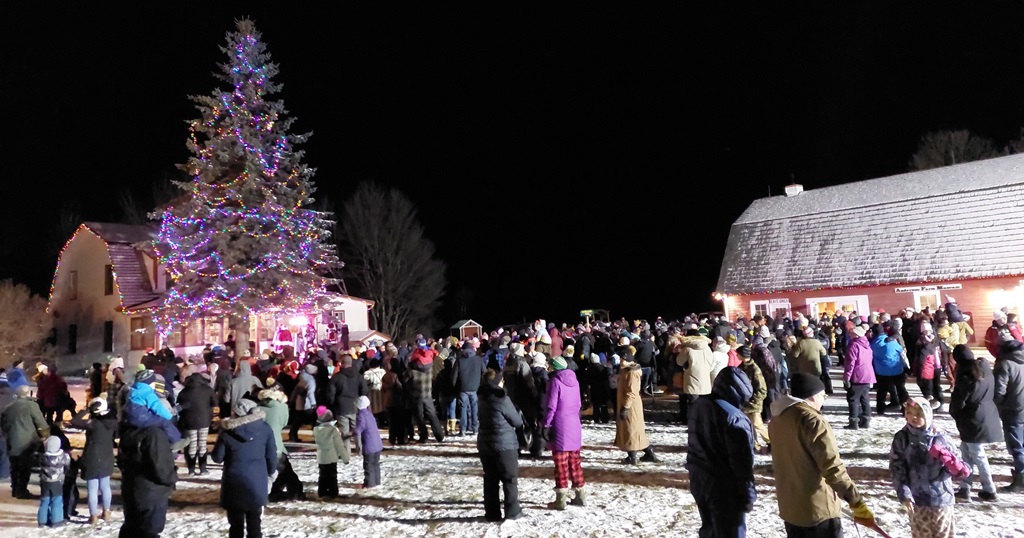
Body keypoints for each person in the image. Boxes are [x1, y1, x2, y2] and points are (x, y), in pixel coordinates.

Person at [769, 373, 874, 537]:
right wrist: (856, 501)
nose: (823, 400)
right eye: (823, 395)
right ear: (812, 396)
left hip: (791, 509)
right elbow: (832, 467)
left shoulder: (778, 419)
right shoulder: (812, 421)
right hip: (817, 510)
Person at [686, 367, 756, 538]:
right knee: (730, 531)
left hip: (699, 477)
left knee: (709, 528)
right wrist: (748, 494)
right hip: (724, 485)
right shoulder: (734, 417)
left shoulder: (699, 405)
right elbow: (741, 461)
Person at [890, 397, 969, 538]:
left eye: (918, 414)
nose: (913, 417)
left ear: (927, 415)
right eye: (909, 413)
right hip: (917, 500)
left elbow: (961, 469)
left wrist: (953, 465)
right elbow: (897, 467)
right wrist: (904, 493)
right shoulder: (902, 438)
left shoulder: (941, 438)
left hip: (941, 499)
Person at [212, 399, 278, 538]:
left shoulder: (227, 431)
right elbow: (271, 456)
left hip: (234, 482)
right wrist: (271, 472)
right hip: (257, 481)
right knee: (255, 523)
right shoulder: (265, 429)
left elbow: (217, 457)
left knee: (235, 526)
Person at [118, 397, 177, 538]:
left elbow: (121, 461)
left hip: (132, 488)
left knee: (132, 528)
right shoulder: (154, 434)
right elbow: (161, 467)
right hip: (152, 493)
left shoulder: (129, 431)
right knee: (149, 530)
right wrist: (172, 478)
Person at [948, 345, 1000, 501]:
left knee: (977, 454)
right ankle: (965, 486)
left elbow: (958, 402)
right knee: (966, 452)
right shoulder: (985, 370)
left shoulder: (965, 376)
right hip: (987, 415)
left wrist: (955, 414)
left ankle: (989, 489)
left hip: (971, 419)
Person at [477, 369, 523, 521]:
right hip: (505, 445)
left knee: (490, 480)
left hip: (485, 444)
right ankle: (512, 511)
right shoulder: (502, 399)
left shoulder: (481, 398)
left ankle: (492, 513)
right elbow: (517, 421)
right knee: (509, 479)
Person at [541, 356, 584, 510]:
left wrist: (546, 425)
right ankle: (580, 495)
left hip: (560, 425)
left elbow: (551, 406)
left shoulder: (555, 382)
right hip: (574, 424)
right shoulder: (575, 381)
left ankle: (561, 499)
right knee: (575, 462)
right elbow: (579, 403)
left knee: (561, 464)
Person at [70, 398, 118, 524]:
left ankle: (93, 515)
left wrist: (85, 410)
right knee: (105, 487)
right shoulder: (112, 422)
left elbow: (74, 421)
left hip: (91, 457)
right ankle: (106, 511)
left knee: (92, 489)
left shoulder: (92, 423)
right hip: (107, 457)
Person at [1, 384, 48, 498]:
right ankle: (21, 490)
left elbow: (3, 424)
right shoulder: (32, 406)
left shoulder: (9, 407)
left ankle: (15, 488)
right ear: (28, 394)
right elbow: (40, 423)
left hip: (12, 440)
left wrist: (7, 434)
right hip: (28, 441)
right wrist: (45, 436)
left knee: (14, 465)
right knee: (25, 467)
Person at [993, 330, 1024, 492]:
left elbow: (999, 391)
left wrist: (996, 407)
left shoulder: (1005, 364)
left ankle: (1021, 479)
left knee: (1016, 445)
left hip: (1013, 410)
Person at [616, 353, 658, 465]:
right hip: (629, 404)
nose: (620, 361)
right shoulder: (626, 370)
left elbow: (632, 392)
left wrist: (625, 407)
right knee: (635, 430)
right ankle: (649, 453)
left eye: (623, 359)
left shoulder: (632, 373)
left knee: (631, 430)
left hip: (630, 405)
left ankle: (632, 456)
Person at [177, 371, 216, 475]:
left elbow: (179, 406)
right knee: (202, 444)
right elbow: (215, 402)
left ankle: (191, 469)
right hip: (204, 420)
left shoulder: (184, 392)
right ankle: (203, 468)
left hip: (189, 421)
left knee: (192, 444)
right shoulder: (207, 390)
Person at [736, 346, 770, 453]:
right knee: (748, 425)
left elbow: (762, 389)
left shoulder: (754, 369)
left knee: (757, 424)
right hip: (745, 403)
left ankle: (771, 441)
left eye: (738, 354)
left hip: (753, 403)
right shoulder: (741, 367)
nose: (736, 355)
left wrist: (755, 401)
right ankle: (754, 444)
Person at [843, 326, 875, 430]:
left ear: (857, 335)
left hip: (857, 375)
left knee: (853, 399)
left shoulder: (853, 345)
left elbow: (850, 363)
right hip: (867, 374)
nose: (849, 335)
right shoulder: (867, 345)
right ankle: (866, 420)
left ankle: (854, 421)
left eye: (852, 333)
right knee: (864, 398)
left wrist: (847, 378)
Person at [37, 435, 70, 528]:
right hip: (57, 481)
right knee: (57, 500)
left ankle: (42, 520)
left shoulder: (43, 457)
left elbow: (37, 459)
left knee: (44, 500)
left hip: (44, 482)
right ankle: (57, 520)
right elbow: (68, 466)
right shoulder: (63, 456)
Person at [456, 341, 486, 436]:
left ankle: (463, 430)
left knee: (463, 408)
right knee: (474, 408)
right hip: (475, 387)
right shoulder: (478, 359)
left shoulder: (459, 360)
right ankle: (475, 428)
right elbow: (484, 372)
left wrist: (454, 385)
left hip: (463, 388)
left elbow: (454, 376)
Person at [314, 406, 345, 498]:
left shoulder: (317, 430)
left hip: (322, 457)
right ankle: (333, 491)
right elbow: (339, 444)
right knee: (332, 475)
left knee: (322, 475)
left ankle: (322, 491)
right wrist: (345, 457)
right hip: (332, 456)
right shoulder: (333, 430)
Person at [354, 395, 383, 488]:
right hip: (377, 444)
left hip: (369, 446)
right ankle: (377, 481)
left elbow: (358, 430)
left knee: (368, 465)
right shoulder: (370, 414)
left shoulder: (361, 416)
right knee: (375, 464)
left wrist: (358, 446)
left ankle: (370, 484)